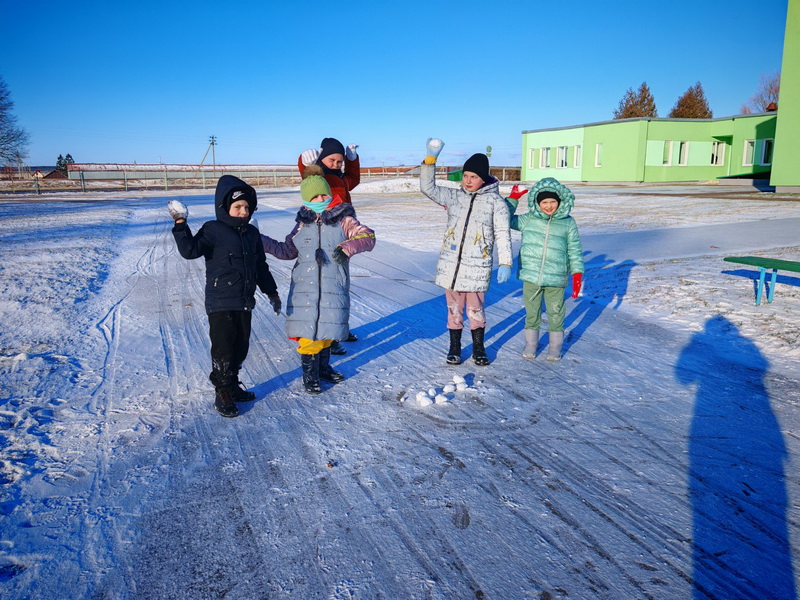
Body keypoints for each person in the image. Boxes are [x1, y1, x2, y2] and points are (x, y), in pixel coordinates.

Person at [168, 175, 282, 418]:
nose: (243, 211)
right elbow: (190, 251)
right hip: (220, 302)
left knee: (241, 348)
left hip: (244, 302)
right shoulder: (213, 229)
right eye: (238, 206)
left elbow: (260, 266)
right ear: (224, 207)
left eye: (247, 207)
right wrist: (180, 223)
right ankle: (222, 393)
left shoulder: (251, 233)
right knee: (223, 350)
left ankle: (232, 385)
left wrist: (271, 292)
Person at [261, 167, 375, 394]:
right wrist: (260, 240)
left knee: (326, 333)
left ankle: (323, 368)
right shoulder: (302, 224)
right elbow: (286, 251)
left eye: (323, 195)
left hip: (333, 287)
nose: (320, 200)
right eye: (314, 197)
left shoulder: (344, 220)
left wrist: (347, 247)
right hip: (305, 289)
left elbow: (367, 237)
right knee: (308, 337)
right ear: (306, 199)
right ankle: (310, 375)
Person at [419, 138, 512, 366]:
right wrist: (430, 160)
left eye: (474, 177)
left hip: (477, 267)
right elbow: (427, 188)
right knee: (453, 309)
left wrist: (506, 263)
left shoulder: (495, 203)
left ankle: (479, 348)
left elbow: (502, 234)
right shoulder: (454, 196)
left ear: (484, 179)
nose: (469, 181)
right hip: (451, 266)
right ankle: (454, 347)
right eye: (466, 175)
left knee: (476, 309)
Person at [506, 178, 584, 361]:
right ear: (537, 203)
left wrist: (577, 273)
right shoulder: (529, 219)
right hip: (531, 275)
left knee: (556, 312)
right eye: (544, 202)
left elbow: (574, 249)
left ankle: (555, 347)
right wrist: (513, 199)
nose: (548, 206)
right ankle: (531, 345)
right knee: (532, 312)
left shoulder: (568, 222)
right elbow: (505, 219)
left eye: (552, 202)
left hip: (556, 278)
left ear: (559, 201)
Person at [298, 136, 361, 353]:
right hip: (322, 234)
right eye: (331, 160)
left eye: (339, 161)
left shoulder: (342, 178)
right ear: (321, 160)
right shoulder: (320, 177)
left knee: (340, 286)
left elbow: (355, 179)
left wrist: (352, 160)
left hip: (341, 234)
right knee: (326, 287)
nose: (336, 165)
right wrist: (305, 162)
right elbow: (307, 177)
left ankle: (337, 329)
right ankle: (328, 337)